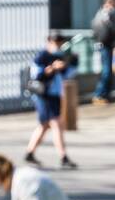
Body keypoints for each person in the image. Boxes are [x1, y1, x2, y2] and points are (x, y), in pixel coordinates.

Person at [25, 32, 77, 169]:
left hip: (55, 94)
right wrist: (52, 68)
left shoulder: (60, 56)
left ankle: (30, 152)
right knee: (56, 123)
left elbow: (68, 74)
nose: (58, 45)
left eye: (60, 42)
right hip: (44, 94)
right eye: (56, 42)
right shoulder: (42, 56)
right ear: (49, 41)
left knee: (44, 125)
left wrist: (69, 64)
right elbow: (36, 74)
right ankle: (63, 156)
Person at [91, 0, 115, 105]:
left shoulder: (101, 14)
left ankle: (105, 94)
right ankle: (99, 94)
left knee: (108, 71)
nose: (112, 6)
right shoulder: (106, 14)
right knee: (106, 71)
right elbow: (109, 29)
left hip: (106, 44)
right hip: (105, 45)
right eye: (110, 3)